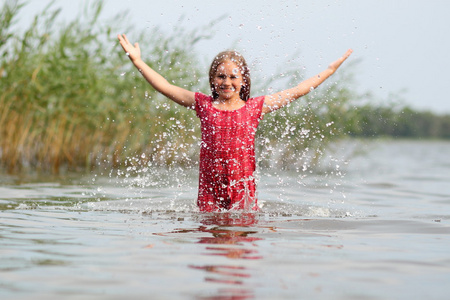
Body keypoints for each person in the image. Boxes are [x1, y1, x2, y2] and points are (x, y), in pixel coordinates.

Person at [117, 34, 352, 212]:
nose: (226, 82)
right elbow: (166, 87)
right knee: (210, 235)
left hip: (242, 188)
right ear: (212, 79)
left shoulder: (254, 107)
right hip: (209, 188)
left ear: (244, 80)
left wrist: (329, 70)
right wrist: (138, 61)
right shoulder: (203, 105)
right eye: (220, 76)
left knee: (242, 233)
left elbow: (297, 91)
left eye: (233, 77)